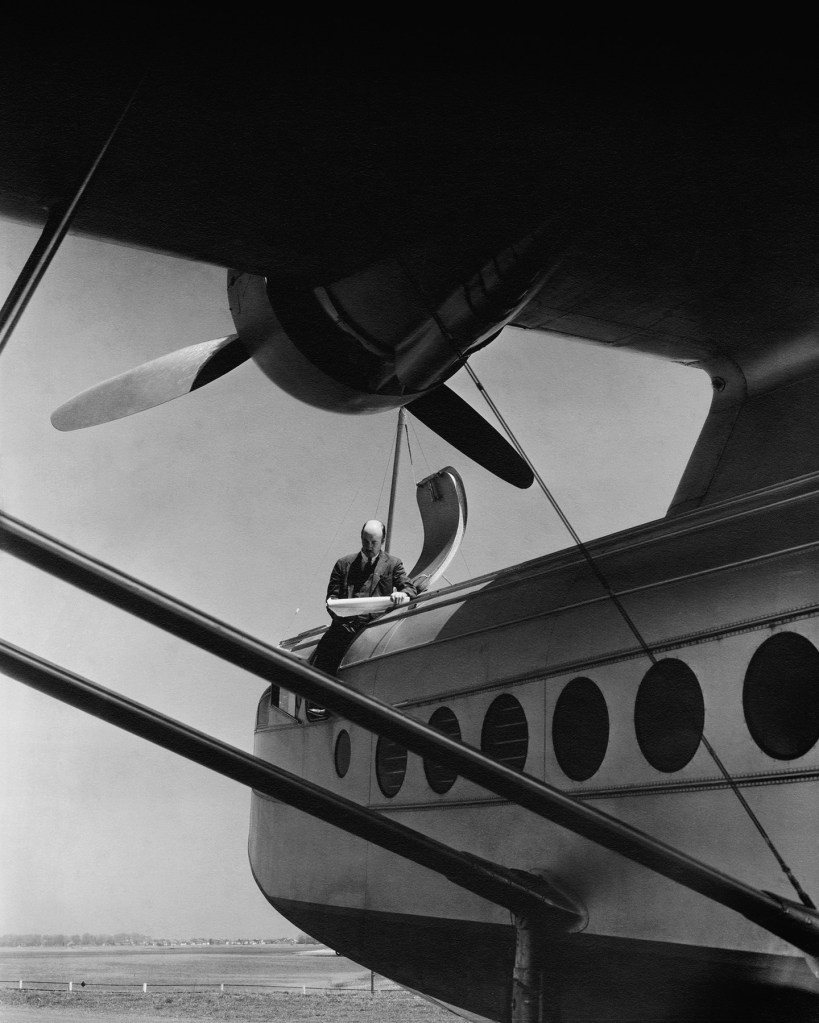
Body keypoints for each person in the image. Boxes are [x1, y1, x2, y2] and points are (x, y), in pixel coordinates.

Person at [311, 520, 417, 678]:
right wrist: (340, 616)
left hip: (376, 628)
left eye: (374, 542)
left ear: (382, 541)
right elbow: (331, 598)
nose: (369, 546)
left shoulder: (393, 564)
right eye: (365, 541)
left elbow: (409, 588)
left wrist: (403, 594)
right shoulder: (343, 564)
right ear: (361, 538)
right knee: (322, 663)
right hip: (344, 629)